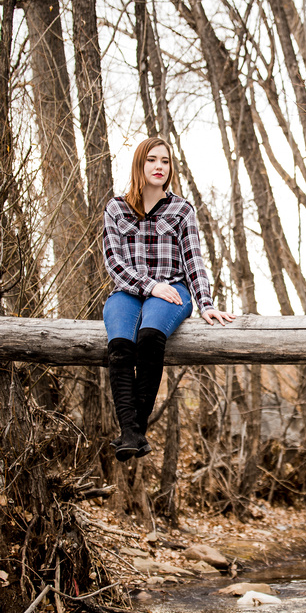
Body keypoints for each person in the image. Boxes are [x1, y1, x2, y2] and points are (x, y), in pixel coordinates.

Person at [102, 136, 235, 462]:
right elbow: (113, 262)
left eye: (164, 160)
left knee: (149, 337)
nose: (159, 166)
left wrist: (206, 303)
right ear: (139, 164)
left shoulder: (181, 210)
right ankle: (131, 433)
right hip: (127, 292)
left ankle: (135, 430)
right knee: (120, 345)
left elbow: (194, 262)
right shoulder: (116, 209)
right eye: (151, 160)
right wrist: (148, 286)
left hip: (173, 291)